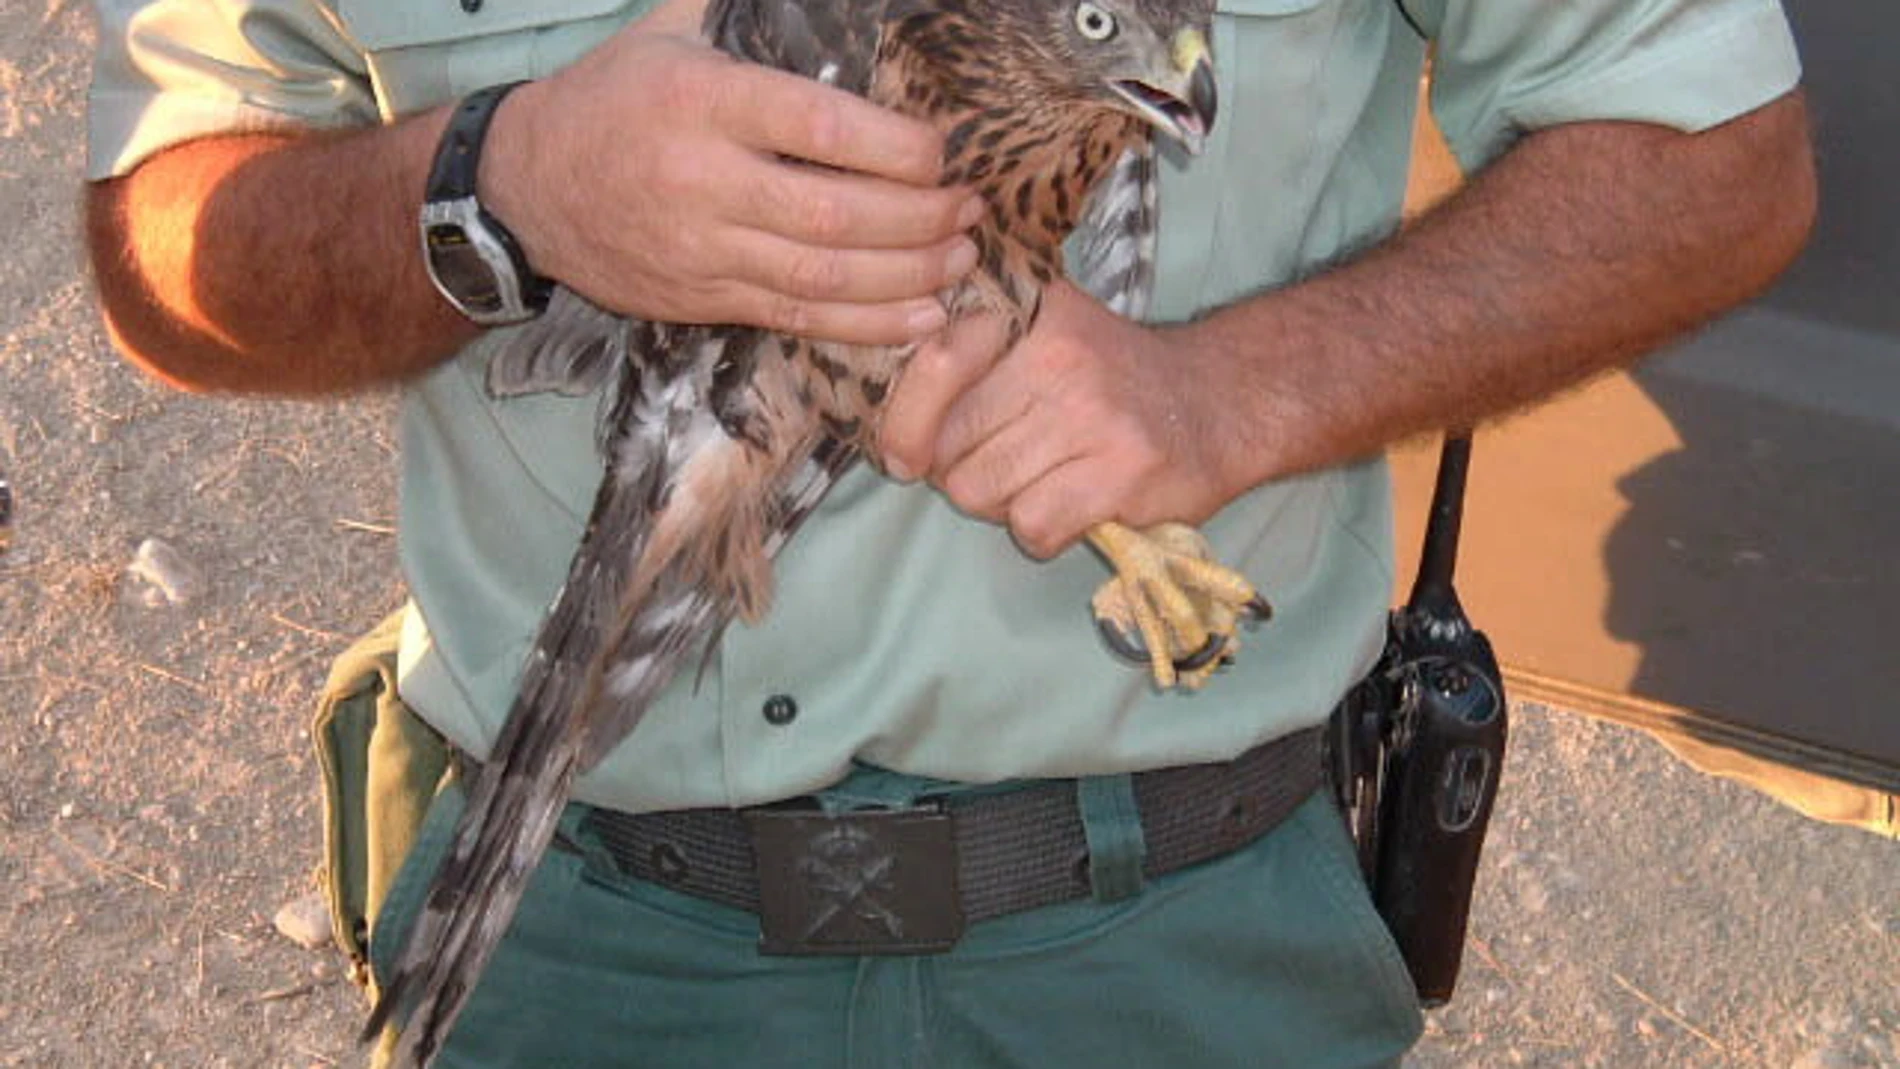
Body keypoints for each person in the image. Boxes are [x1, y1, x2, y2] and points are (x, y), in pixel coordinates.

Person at [83, 0, 1815, 1064]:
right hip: (595, 940)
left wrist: (1232, 393)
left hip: (1174, 955)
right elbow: (168, 246)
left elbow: (1715, 151)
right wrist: (499, 186)